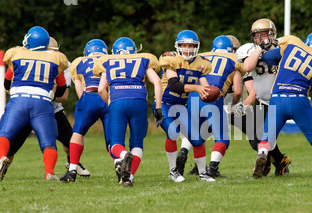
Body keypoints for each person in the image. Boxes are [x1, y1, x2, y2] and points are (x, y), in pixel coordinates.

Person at [252, 31, 312, 179]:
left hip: (277, 97)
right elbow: (311, 86)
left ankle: (262, 154)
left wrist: (279, 61)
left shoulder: (292, 43)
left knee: (268, 136)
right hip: (299, 99)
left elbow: (268, 58)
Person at [2, 37, 91, 178]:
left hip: (50, 108)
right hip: (35, 107)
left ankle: (73, 165)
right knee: (13, 146)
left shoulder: (59, 63)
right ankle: (3, 168)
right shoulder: (39, 58)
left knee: (70, 142)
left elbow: (64, 96)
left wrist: (40, 93)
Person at [0, 26, 69, 181]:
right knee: (49, 141)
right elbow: (62, 88)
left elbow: (6, 83)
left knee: (4, 134)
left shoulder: (16, 53)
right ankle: (49, 172)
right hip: (43, 101)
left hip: (19, 99)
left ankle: (1, 158)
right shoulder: (56, 58)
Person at [93, 37, 163, 187]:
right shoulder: (144, 59)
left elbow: (100, 89)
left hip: (118, 100)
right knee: (137, 143)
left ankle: (124, 155)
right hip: (139, 100)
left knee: (116, 143)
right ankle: (128, 178)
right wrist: (158, 106)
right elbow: (157, 81)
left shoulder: (107, 61)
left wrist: (110, 102)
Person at [175, 35, 246, 178]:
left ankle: (183, 151)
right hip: (214, 97)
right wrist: (233, 104)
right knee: (222, 138)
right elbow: (237, 91)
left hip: (195, 94)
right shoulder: (234, 60)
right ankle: (212, 168)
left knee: (194, 131)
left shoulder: (201, 56)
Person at [155, 29, 215, 182]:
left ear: (196, 46)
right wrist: (197, 89)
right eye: (184, 45)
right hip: (165, 104)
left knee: (196, 139)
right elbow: (174, 86)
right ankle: (173, 171)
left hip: (181, 107)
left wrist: (212, 94)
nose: (187, 49)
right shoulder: (170, 59)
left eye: (191, 45)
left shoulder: (202, 63)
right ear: (178, 46)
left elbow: (205, 88)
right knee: (173, 133)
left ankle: (203, 173)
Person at [238, 18, 291, 177]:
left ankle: (269, 163)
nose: (260, 38)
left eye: (263, 35)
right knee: (256, 141)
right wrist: (260, 49)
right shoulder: (248, 50)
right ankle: (281, 160)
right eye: (257, 36)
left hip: (278, 100)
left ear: (272, 34)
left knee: (266, 136)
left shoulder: (283, 45)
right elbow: (247, 67)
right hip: (261, 101)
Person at [60, 39, 111, 182]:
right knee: (113, 137)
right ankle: (119, 163)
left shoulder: (79, 62)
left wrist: (87, 104)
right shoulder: (110, 60)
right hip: (107, 97)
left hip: (88, 96)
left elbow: (79, 89)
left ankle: (72, 170)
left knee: (78, 132)